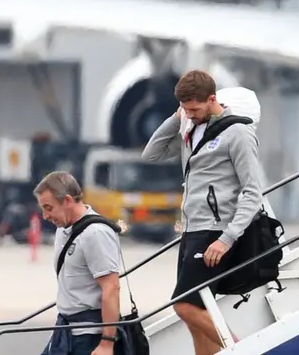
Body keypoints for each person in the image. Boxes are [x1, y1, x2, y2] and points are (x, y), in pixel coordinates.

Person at [142, 70, 263, 355]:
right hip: (192, 229)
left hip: (215, 232)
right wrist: (176, 119)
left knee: (184, 305)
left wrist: (227, 238)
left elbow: (252, 192)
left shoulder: (238, 133)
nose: (190, 114)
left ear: (212, 100)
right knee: (196, 313)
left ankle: (243, 350)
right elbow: (152, 153)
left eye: (194, 109)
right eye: (185, 109)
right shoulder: (192, 129)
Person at [35, 171, 124, 355]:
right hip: (66, 331)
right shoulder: (63, 229)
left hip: (88, 336)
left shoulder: (96, 234)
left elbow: (111, 288)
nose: (45, 216)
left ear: (67, 201)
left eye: (48, 208)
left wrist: (107, 343)